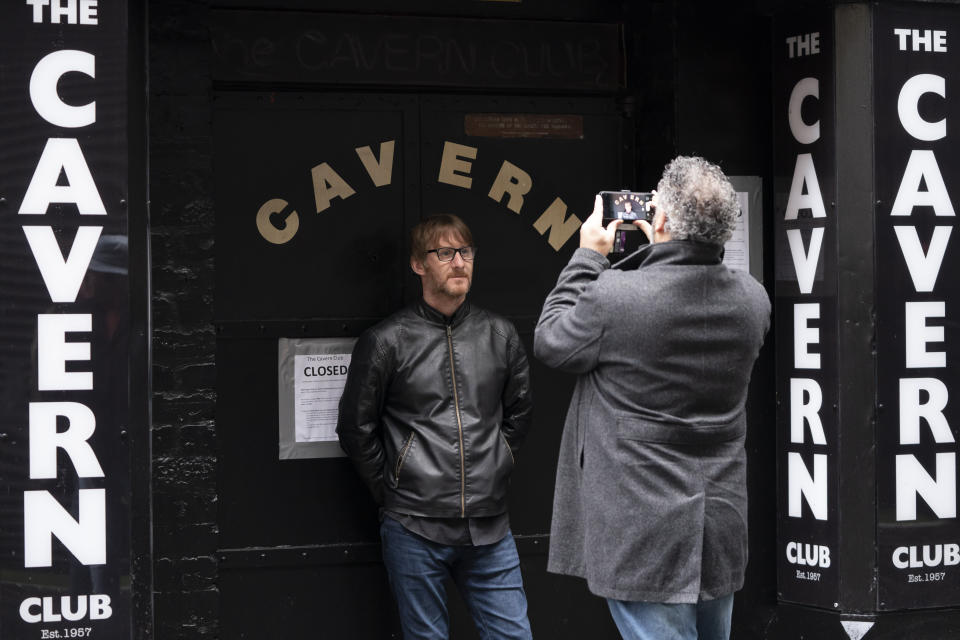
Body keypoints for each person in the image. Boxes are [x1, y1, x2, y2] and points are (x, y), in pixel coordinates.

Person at [534, 156, 770, 640]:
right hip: (718, 527)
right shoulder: (753, 299)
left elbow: (551, 340)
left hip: (641, 532)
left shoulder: (617, 297)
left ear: (660, 220)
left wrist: (589, 257)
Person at [337, 214, 534, 640]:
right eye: (444, 253)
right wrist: (394, 488)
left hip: (489, 527)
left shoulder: (500, 335)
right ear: (418, 264)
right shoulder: (387, 340)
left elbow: (520, 414)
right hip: (414, 526)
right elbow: (356, 427)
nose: (459, 262)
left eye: (465, 252)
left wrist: (497, 464)